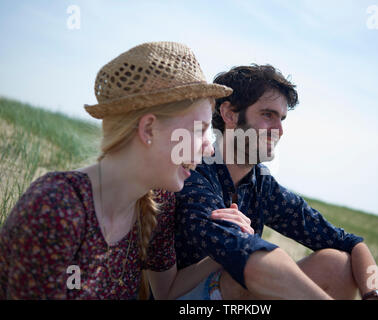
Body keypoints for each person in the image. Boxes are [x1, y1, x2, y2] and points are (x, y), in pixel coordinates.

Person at [0, 42, 253, 299]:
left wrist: (226, 250)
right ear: (149, 130)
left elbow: (166, 290)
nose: (210, 150)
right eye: (200, 130)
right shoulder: (56, 207)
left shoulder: (156, 202)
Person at [173, 64, 378, 300]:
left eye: (282, 118)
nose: (279, 130)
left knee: (336, 264)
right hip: (183, 298)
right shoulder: (194, 172)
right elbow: (246, 255)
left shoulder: (262, 184)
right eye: (268, 115)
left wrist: (374, 292)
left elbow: (351, 243)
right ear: (229, 114)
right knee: (240, 277)